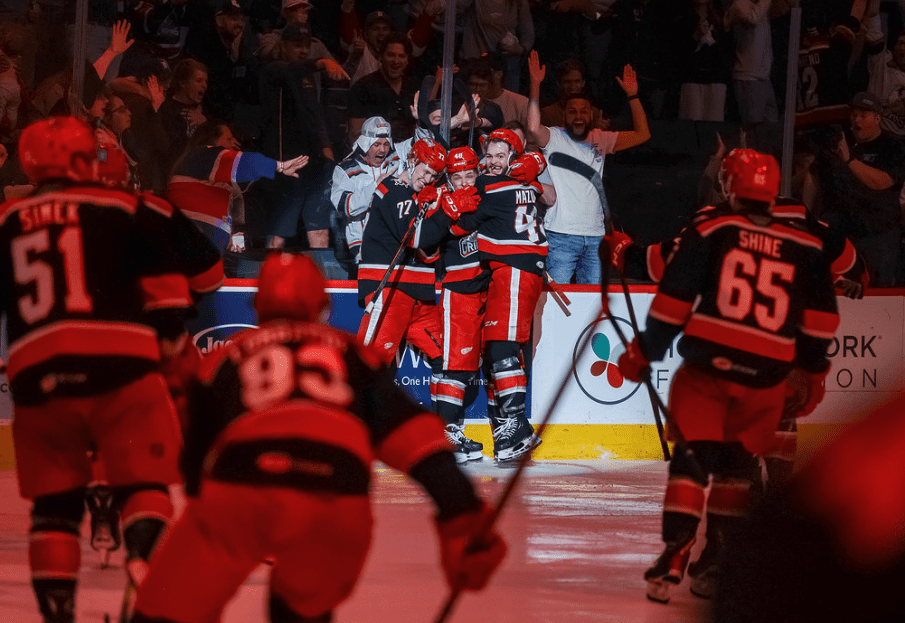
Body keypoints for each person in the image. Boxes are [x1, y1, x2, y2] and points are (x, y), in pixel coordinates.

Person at [129, 252, 507, 623]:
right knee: (301, 610)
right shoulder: (357, 356)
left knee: (168, 609)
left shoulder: (224, 358)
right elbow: (419, 441)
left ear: (258, 307)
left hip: (240, 483)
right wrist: (463, 516)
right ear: (321, 306)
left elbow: (194, 463)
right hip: (336, 494)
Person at [615, 149, 839, 604]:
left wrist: (644, 352)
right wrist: (813, 375)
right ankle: (715, 563)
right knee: (736, 471)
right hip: (765, 378)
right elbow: (819, 320)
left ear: (728, 186)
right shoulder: (806, 243)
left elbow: (672, 300)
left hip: (707, 370)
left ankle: (674, 556)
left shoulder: (712, 226)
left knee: (692, 460)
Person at [0, 116, 195, 623]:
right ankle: (142, 562)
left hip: (40, 376)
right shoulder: (126, 208)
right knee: (143, 485)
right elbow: (169, 298)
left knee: (54, 510)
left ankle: (59, 614)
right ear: (91, 159)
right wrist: (173, 361)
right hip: (124, 369)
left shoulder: (8, 219)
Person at [449, 128, 548, 463]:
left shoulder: (488, 186)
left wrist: (444, 209)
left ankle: (517, 426)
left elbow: (461, 224)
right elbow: (546, 192)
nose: (490, 162)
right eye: (487, 156)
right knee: (497, 353)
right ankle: (505, 439)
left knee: (502, 349)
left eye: (498, 156)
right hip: (519, 270)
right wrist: (536, 159)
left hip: (514, 269)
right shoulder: (526, 183)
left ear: (512, 159)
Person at [528, 50, 650, 285]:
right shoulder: (555, 137)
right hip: (561, 236)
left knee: (592, 304)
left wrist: (633, 96)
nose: (578, 116)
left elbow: (643, 134)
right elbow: (533, 128)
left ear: (592, 115)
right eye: (572, 111)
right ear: (563, 115)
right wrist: (535, 85)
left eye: (584, 111)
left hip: (595, 237)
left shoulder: (600, 138)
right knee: (557, 300)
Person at [808, 91, 905, 286]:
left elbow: (883, 182)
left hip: (879, 236)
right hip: (843, 235)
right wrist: (809, 219)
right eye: (854, 114)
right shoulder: (840, 144)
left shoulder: (893, 146)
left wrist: (849, 160)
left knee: (879, 292)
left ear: (877, 118)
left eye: (863, 115)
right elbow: (812, 178)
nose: (856, 119)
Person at [167, 121, 310, 253]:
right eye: (229, 139)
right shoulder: (203, 155)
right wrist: (279, 166)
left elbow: (237, 215)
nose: (233, 144)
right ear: (211, 138)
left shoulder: (219, 179)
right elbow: (242, 163)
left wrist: (238, 245)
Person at [330, 116, 402, 271]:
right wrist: (376, 186)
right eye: (376, 144)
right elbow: (346, 207)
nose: (382, 150)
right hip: (363, 248)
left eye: (386, 144)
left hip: (396, 245)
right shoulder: (344, 169)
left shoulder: (397, 162)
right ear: (365, 144)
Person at [348, 32, 418, 143]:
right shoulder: (362, 87)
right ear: (381, 57)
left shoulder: (413, 87)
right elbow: (355, 134)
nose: (396, 61)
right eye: (390, 55)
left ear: (407, 60)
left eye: (401, 56)